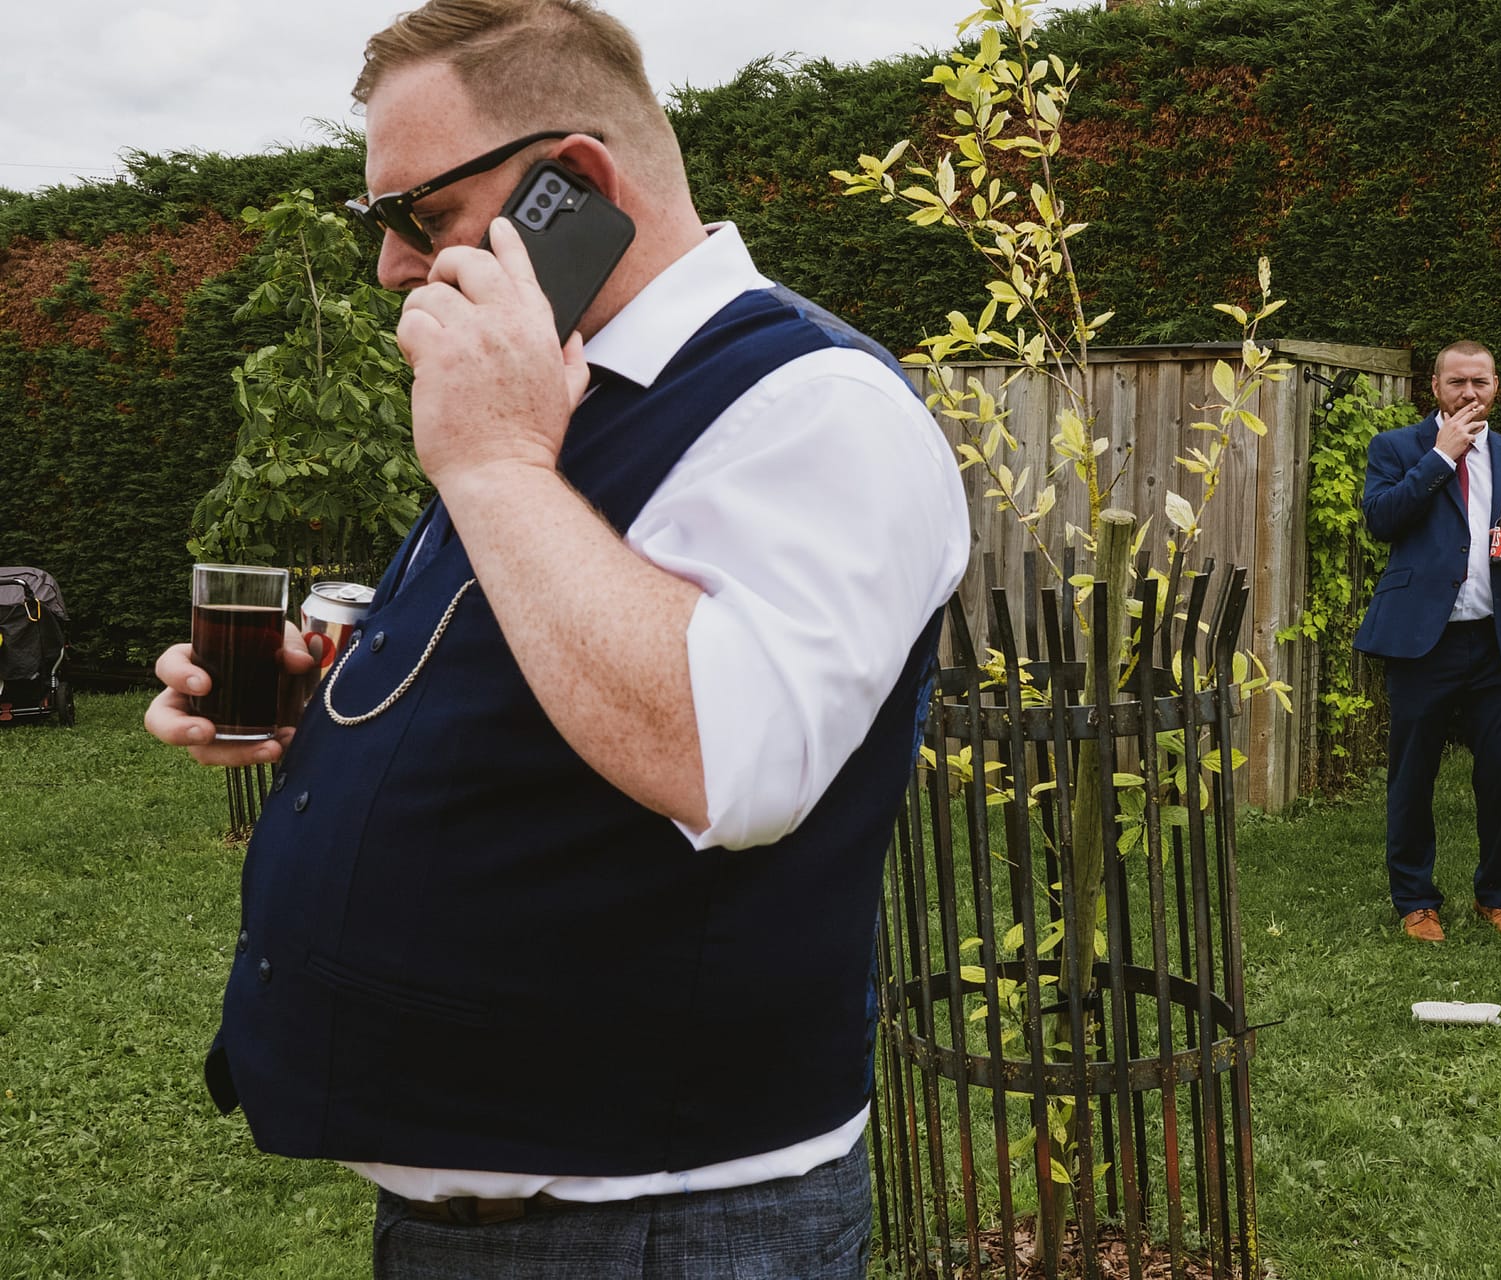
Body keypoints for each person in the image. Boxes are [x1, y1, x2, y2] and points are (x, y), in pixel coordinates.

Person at [142, 1, 970, 1274]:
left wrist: (492, 461)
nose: (393, 267)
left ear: (573, 183)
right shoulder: (548, 382)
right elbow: (540, 651)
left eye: (420, 214)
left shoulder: (818, 405)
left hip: (660, 1229)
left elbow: (728, 757)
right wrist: (335, 708)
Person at [1353, 341, 1501, 942]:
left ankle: (1496, 896)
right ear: (1436, 387)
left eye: (1481, 382)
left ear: (1496, 387)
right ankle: (1416, 900)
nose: (1470, 393)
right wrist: (1441, 456)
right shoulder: (1396, 447)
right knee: (1412, 774)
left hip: (1499, 640)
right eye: (1458, 382)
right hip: (1424, 641)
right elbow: (1381, 519)